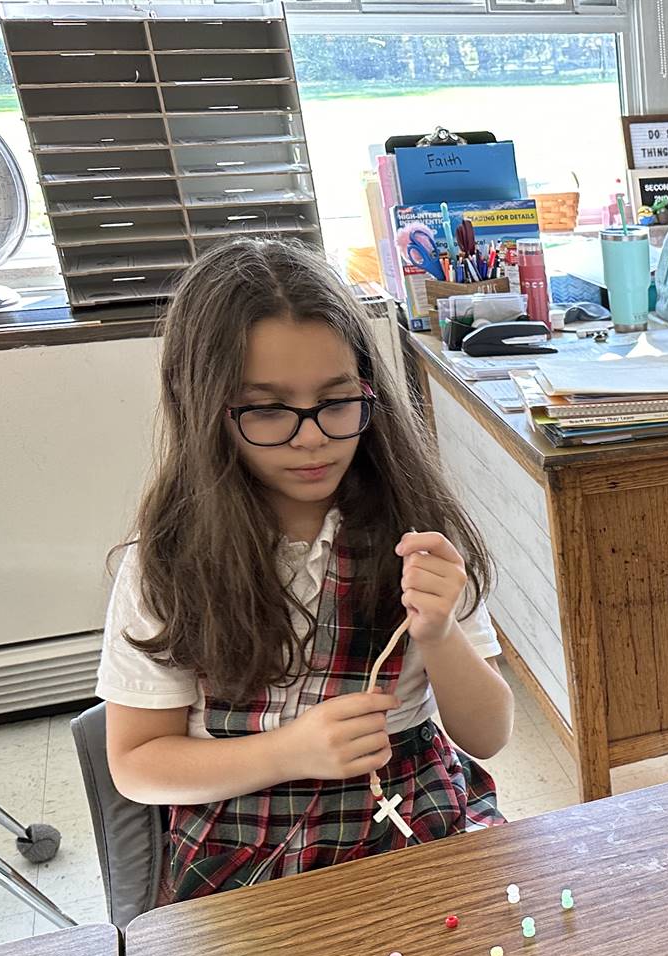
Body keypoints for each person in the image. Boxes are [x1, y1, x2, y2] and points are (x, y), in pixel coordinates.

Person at [98, 239, 512, 900]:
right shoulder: (170, 562)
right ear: (205, 407)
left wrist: (439, 636)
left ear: (367, 391)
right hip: (245, 851)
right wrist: (289, 751)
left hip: (415, 825)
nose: (311, 437)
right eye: (266, 409)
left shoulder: (415, 530)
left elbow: (488, 735)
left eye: (337, 401)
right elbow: (136, 763)